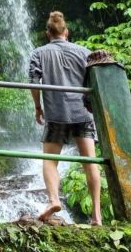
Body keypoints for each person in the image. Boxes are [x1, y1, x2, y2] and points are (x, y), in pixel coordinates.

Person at [29, 11, 101, 225]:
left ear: (47, 33)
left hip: (56, 112)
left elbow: (33, 81)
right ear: (66, 32)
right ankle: (97, 215)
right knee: (90, 162)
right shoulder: (84, 52)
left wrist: (37, 107)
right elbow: (93, 82)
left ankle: (53, 199)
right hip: (83, 112)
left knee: (50, 161)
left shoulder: (39, 53)